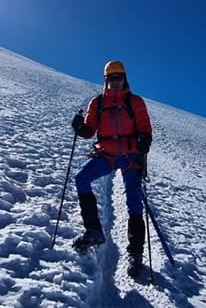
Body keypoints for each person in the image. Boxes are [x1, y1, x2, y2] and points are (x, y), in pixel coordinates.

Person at [71, 60, 153, 277]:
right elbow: (89, 131)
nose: (116, 82)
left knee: (134, 202)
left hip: (130, 156)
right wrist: (80, 127)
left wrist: (145, 140)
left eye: (119, 78)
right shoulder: (97, 103)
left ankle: (136, 255)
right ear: (106, 80)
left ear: (125, 79)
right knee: (81, 179)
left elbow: (145, 128)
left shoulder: (135, 102)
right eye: (112, 78)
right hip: (107, 154)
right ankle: (94, 230)